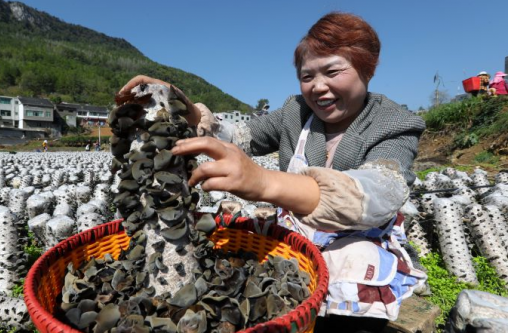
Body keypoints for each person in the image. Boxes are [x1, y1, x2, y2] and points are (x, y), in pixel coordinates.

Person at [120, 12, 427, 329]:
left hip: (357, 240)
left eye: (332, 71)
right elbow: (241, 137)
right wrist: (191, 113)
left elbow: (380, 190)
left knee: (356, 265)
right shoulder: (296, 112)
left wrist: (263, 181)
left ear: (367, 69)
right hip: (298, 231)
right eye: (307, 77)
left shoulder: (394, 123)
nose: (318, 87)